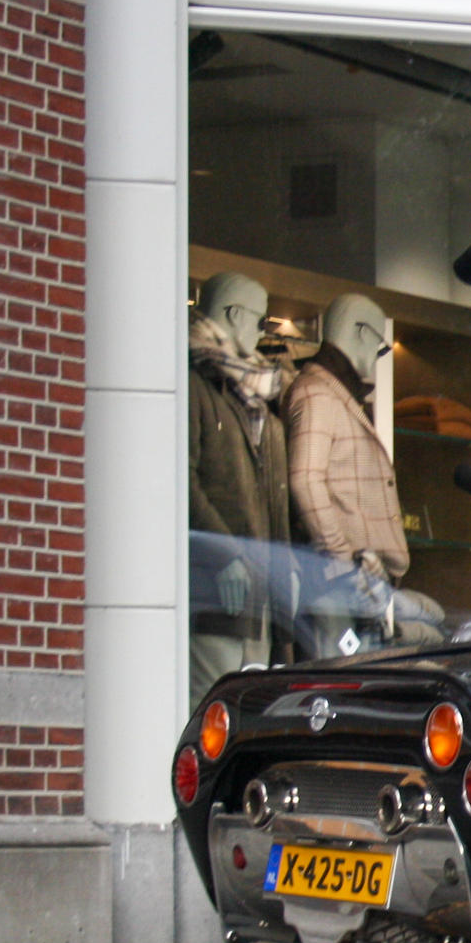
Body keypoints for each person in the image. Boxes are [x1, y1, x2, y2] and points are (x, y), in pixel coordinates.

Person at [285, 293, 448, 656]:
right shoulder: (317, 395)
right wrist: (344, 559)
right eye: (378, 347)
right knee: (336, 684)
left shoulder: (333, 394)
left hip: (357, 582)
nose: (377, 360)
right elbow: (304, 480)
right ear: (360, 333)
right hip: (336, 581)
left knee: (355, 679)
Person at [188, 272, 293, 703]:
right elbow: (181, 481)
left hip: (258, 596)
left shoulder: (263, 409)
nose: (260, 330)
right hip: (215, 595)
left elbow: (277, 505)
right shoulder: (195, 385)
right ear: (233, 314)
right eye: (259, 319)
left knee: (249, 716)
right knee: (210, 708)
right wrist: (223, 553)